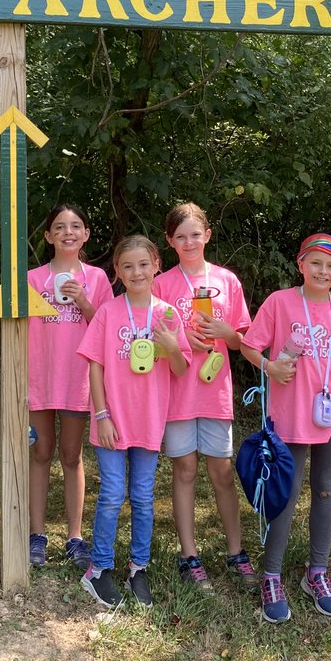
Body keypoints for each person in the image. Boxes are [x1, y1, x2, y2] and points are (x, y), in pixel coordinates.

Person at [241, 234, 331, 624]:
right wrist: (269, 366)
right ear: (300, 265)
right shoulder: (280, 302)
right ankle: (272, 575)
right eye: (315, 263)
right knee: (287, 492)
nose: (322, 271)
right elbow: (249, 346)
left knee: (326, 489)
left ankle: (318, 573)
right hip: (290, 414)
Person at [77, 235, 191, 608]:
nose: (136, 272)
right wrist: (102, 414)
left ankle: (138, 567)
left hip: (149, 421)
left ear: (157, 264)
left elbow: (179, 368)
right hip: (111, 421)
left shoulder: (168, 314)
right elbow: (95, 367)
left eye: (143, 264)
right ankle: (99, 570)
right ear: (118, 272)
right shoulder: (109, 312)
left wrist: (173, 345)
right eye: (128, 266)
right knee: (111, 495)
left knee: (142, 496)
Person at [154, 202, 257, 594]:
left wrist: (224, 330)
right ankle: (189, 555)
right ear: (170, 242)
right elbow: (151, 343)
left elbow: (242, 341)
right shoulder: (162, 283)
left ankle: (236, 552)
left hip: (215, 394)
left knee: (221, 473)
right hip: (178, 394)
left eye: (195, 234)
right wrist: (181, 340)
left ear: (208, 235)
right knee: (184, 471)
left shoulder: (227, 281)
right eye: (180, 236)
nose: (189, 241)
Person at [26, 204, 113, 570]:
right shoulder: (32, 279)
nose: (68, 232)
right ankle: (36, 534)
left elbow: (105, 327)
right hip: (41, 377)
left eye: (75, 226)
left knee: (72, 456)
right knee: (41, 453)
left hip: (79, 379)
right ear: (48, 236)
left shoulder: (97, 278)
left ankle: (75, 537)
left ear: (86, 234)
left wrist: (82, 299)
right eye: (59, 227)